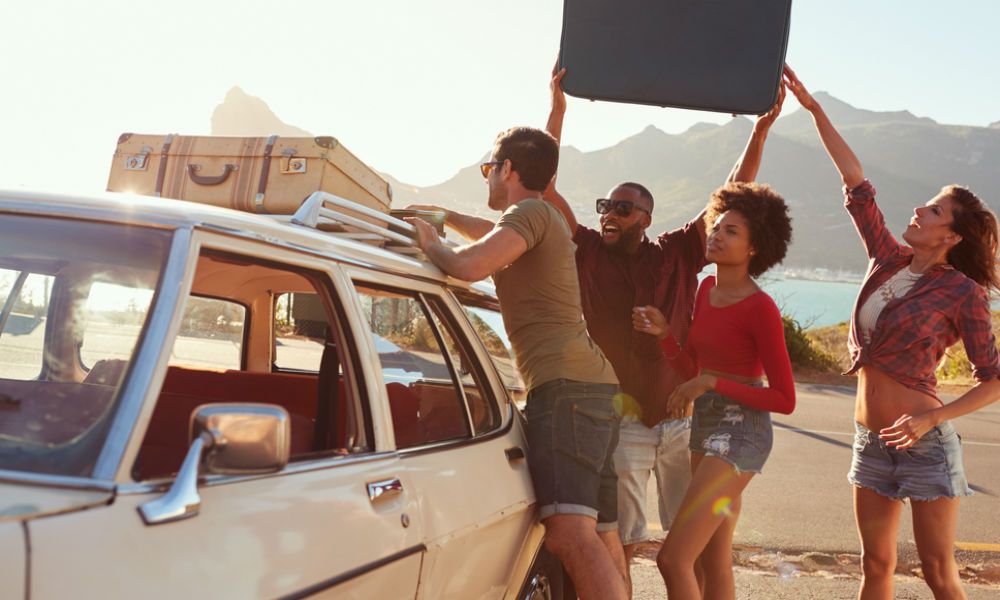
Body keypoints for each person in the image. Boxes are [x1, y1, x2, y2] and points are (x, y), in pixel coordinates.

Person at [541, 63, 786, 582]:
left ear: (646, 218)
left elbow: (733, 189)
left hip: (683, 420)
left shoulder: (677, 252)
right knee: (622, 543)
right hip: (624, 418)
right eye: (606, 205)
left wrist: (759, 130)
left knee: (690, 545)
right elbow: (543, 190)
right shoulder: (585, 248)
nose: (610, 213)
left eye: (624, 208)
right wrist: (557, 112)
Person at [783, 65, 1000, 600]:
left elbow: (994, 379)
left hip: (924, 445)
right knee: (875, 565)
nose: (918, 212)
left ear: (950, 235)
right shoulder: (887, 258)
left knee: (937, 573)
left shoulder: (962, 292)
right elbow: (856, 184)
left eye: (931, 210)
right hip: (871, 441)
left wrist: (933, 418)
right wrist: (814, 110)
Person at [405, 126, 629, 600]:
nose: (486, 176)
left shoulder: (531, 213)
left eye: (489, 168)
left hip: (565, 390)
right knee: (602, 535)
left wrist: (430, 243)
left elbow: (468, 266)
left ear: (508, 169)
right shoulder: (540, 219)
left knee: (569, 535)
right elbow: (493, 233)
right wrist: (444, 217)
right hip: (592, 390)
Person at [632, 181, 795, 600]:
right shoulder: (707, 290)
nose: (717, 236)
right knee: (712, 562)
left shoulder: (760, 308)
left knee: (673, 559)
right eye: (716, 227)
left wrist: (709, 383)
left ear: (755, 248)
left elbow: (784, 399)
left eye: (732, 232)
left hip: (741, 435)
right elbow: (691, 366)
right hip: (704, 426)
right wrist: (667, 335)